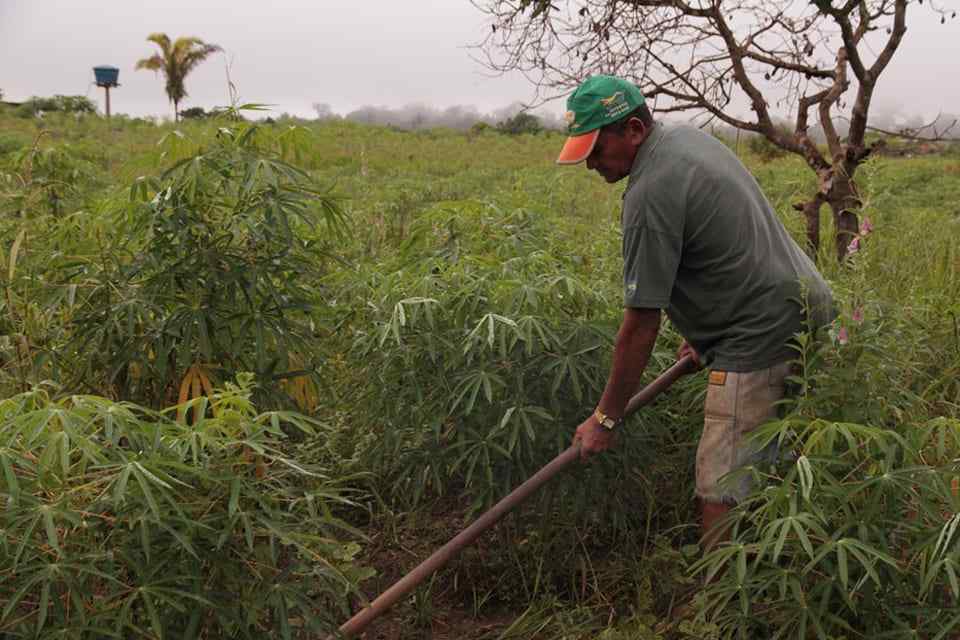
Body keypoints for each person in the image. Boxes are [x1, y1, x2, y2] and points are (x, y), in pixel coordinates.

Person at [556, 75, 833, 550]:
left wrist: (605, 418)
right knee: (777, 458)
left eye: (596, 150)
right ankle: (780, 572)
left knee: (721, 480)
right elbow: (721, 241)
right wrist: (708, 334)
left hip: (759, 331)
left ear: (635, 130)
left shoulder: (649, 194)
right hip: (807, 305)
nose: (591, 164)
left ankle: (722, 608)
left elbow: (641, 323)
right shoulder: (685, 140)